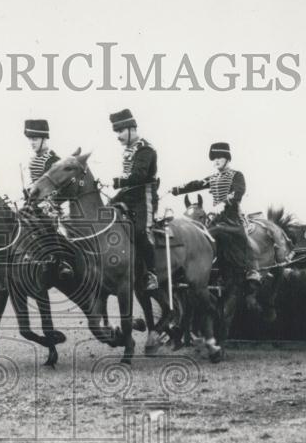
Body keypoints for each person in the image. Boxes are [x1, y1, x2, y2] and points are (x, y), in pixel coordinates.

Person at [170, 142, 261, 309]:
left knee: (243, 238)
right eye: (214, 158)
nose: (216, 161)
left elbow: (238, 192)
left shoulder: (236, 175)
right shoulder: (213, 178)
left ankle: (251, 270)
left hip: (232, 217)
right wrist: (176, 190)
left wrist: (225, 202)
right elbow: (196, 184)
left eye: (219, 157)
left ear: (227, 159)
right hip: (217, 218)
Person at [108, 109, 159, 291]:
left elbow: (139, 175)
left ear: (131, 129)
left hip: (144, 197)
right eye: (117, 132)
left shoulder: (145, 149)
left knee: (141, 231)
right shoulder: (129, 150)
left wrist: (120, 181)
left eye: (120, 131)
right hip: (128, 196)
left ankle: (152, 273)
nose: (118, 136)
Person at [23, 119, 74, 282]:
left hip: (52, 206)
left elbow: (64, 186)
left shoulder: (53, 160)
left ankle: (63, 261)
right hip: (35, 204)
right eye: (30, 139)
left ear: (44, 139)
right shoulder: (33, 160)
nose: (32, 143)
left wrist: (48, 201)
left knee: (49, 225)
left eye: (35, 139)